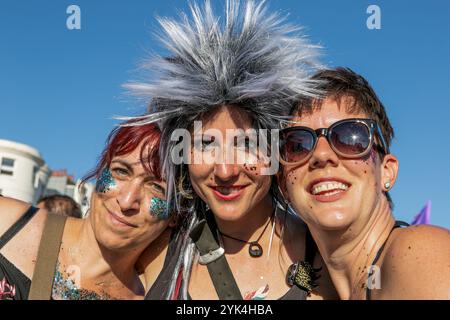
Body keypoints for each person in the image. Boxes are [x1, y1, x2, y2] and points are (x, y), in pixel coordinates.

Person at [124, 0, 337, 300]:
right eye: (205, 145)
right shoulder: (151, 254)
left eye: (247, 144)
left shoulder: (330, 256)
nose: (225, 171)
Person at [278, 67, 450, 299]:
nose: (321, 155)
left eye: (350, 136)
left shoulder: (419, 254)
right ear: (283, 186)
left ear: (386, 171)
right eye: (297, 145)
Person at [0, 119, 177, 300]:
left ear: (176, 215)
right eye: (121, 171)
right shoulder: (6, 222)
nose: (126, 201)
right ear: (101, 171)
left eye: (157, 188)